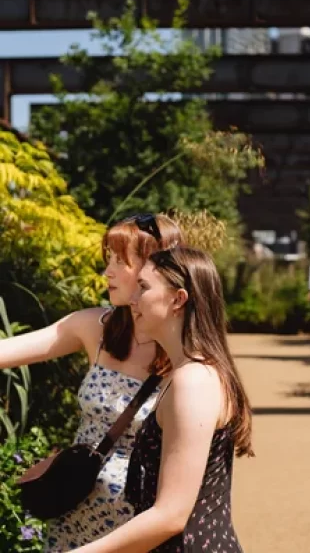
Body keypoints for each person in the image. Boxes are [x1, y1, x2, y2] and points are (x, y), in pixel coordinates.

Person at [0, 213, 182, 551]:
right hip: (72, 513)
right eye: (107, 260)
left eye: (120, 261)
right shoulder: (93, 326)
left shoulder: (185, 357)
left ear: (154, 270)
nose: (107, 272)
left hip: (135, 532)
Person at [72, 246, 254, 553]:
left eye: (143, 288)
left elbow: (170, 515)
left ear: (178, 300)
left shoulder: (192, 382)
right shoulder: (187, 373)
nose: (132, 299)